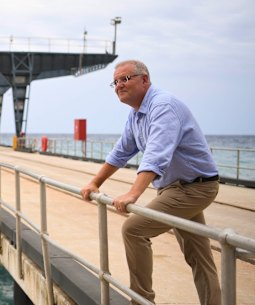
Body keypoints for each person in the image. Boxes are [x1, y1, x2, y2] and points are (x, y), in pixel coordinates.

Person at [80, 60, 221, 305]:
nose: (119, 86)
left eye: (125, 79)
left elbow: (156, 154)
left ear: (144, 79)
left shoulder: (163, 106)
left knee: (134, 229)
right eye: (115, 82)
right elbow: (121, 152)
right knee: (198, 255)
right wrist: (95, 183)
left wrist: (133, 193)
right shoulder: (136, 114)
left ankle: (142, 300)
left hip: (195, 187)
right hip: (174, 187)